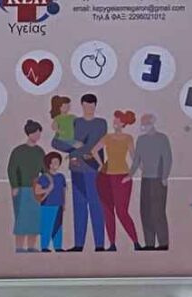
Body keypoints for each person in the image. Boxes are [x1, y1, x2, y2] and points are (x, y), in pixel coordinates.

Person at [68, 91, 109, 251]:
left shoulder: (101, 123)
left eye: (91, 106)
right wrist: (73, 149)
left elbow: (93, 143)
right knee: (79, 206)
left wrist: (77, 149)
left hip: (94, 169)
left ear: (95, 106)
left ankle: (99, 245)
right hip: (77, 168)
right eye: (86, 106)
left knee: (96, 205)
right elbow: (66, 141)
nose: (89, 109)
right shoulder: (75, 122)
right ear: (82, 105)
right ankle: (78, 245)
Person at [131, 112, 173, 251]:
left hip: (158, 179)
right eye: (142, 124)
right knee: (145, 211)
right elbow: (136, 160)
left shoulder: (162, 138)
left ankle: (163, 243)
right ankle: (149, 243)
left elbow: (167, 158)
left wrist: (165, 176)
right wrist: (130, 175)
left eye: (146, 124)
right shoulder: (141, 140)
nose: (143, 126)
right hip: (146, 179)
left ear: (152, 123)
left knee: (158, 212)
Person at [100, 109, 140, 249]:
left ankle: (135, 242)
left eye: (117, 120)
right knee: (108, 212)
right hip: (106, 178)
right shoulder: (107, 137)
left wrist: (130, 175)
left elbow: (135, 158)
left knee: (122, 212)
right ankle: (112, 244)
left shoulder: (128, 138)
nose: (115, 121)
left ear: (123, 123)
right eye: (115, 119)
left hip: (123, 176)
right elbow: (93, 151)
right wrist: (100, 165)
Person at [8, 119, 47, 253]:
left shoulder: (40, 151)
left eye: (39, 133)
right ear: (29, 133)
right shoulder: (18, 151)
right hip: (22, 189)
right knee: (21, 218)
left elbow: (45, 171)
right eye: (36, 133)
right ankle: (19, 247)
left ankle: (31, 246)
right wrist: (15, 186)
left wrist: (45, 185)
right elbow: (12, 169)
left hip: (35, 190)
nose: (38, 135)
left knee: (34, 218)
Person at [34, 151, 67, 253]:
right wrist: (47, 189)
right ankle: (44, 247)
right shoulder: (44, 177)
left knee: (58, 227)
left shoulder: (61, 177)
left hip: (59, 205)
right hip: (47, 205)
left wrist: (64, 204)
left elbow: (63, 191)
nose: (56, 164)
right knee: (46, 226)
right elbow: (37, 191)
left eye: (58, 162)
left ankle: (58, 247)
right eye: (54, 162)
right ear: (49, 164)